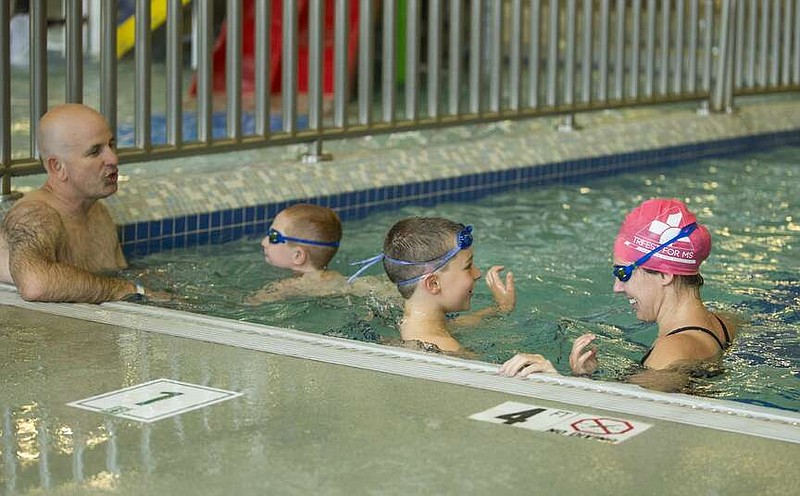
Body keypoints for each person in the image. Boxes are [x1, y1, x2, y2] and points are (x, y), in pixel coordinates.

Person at [500, 198, 736, 391]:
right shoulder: (724, 323)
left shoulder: (669, 353)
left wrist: (558, 381)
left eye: (623, 273)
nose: (617, 287)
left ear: (665, 275)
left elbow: (619, 415)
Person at [0, 103, 161, 303]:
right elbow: (35, 285)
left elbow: (119, 274)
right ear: (58, 167)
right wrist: (130, 289)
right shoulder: (34, 215)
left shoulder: (97, 212)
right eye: (95, 152)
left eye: (111, 145)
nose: (113, 158)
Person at [349, 217, 516, 354]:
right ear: (433, 283)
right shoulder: (450, 352)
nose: (477, 273)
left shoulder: (412, 324)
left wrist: (501, 308)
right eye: (468, 267)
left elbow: (457, 325)